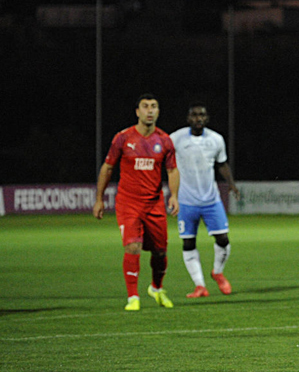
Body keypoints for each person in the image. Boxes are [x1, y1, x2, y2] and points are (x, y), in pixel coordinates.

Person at [93, 94, 180, 311]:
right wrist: (99, 199)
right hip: (128, 202)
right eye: (145, 107)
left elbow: (172, 169)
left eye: (154, 107)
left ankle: (156, 288)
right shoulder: (123, 138)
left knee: (160, 251)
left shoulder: (165, 140)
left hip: (154, 203)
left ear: (158, 112)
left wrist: (175, 196)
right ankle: (133, 296)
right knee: (133, 246)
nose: (149, 111)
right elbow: (108, 168)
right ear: (137, 111)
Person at [170, 103, 241, 297]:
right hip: (186, 201)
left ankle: (217, 272)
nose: (198, 118)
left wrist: (232, 184)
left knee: (223, 239)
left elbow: (222, 164)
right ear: (188, 118)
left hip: (211, 200)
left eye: (201, 115)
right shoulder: (175, 138)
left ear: (207, 118)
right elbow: (165, 161)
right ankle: (199, 285)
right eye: (194, 115)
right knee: (188, 243)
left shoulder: (216, 139)